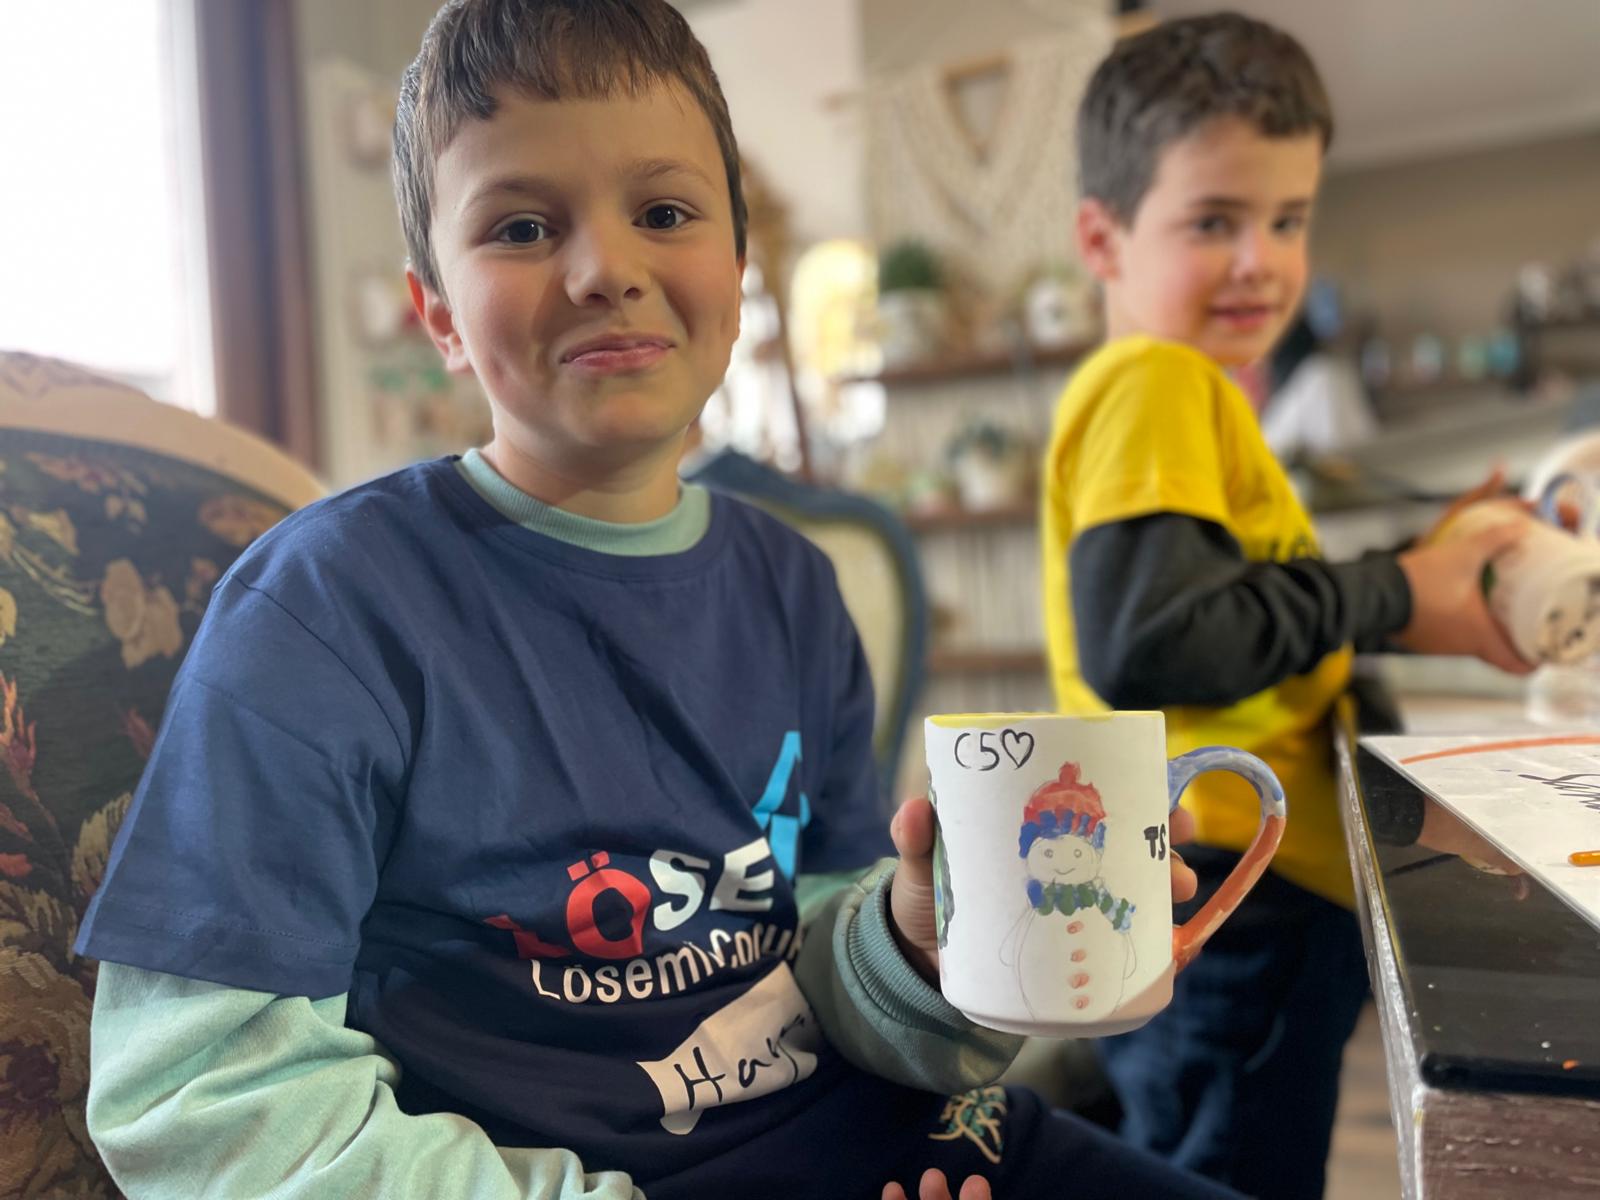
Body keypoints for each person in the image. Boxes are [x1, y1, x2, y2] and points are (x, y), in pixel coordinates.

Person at [74, 4, 1239, 1198]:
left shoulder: (796, 585)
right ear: (440, 317)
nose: (606, 270)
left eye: (665, 214)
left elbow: (817, 951)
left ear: (736, 272)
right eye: (522, 228)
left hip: (919, 1143)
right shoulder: (327, 606)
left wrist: (908, 942)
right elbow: (202, 1096)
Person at [1041, 14, 1532, 1199]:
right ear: (1102, 238)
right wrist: (1393, 591)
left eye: (1287, 219)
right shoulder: (1157, 381)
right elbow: (1151, 638)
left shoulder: (1195, 400)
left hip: (1238, 896)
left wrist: (1417, 569)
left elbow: (1248, 616)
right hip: (1231, 897)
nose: (1259, 259)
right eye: (1214, 220)